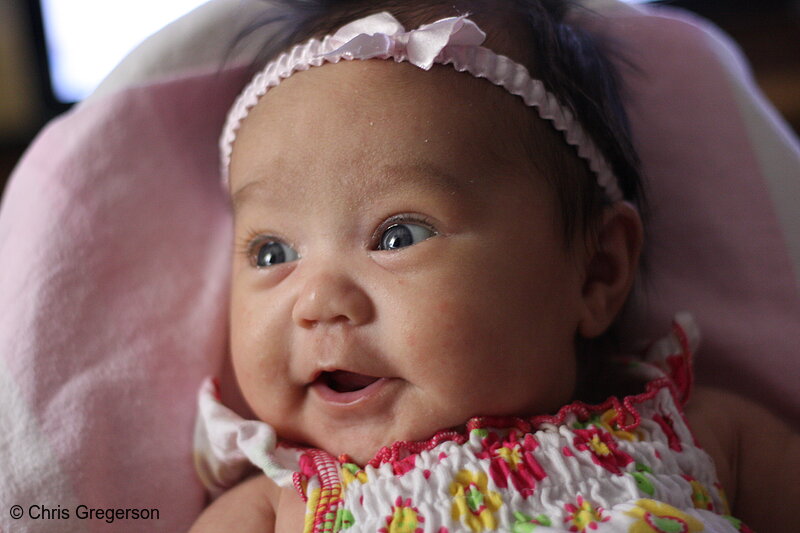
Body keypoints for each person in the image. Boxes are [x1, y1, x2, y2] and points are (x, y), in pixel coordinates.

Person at [190, 1, 799, 531]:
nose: (319, 301)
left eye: (398, 236)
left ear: (597, 273)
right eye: (274, 253)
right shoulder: (278, 506)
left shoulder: (701, 435)